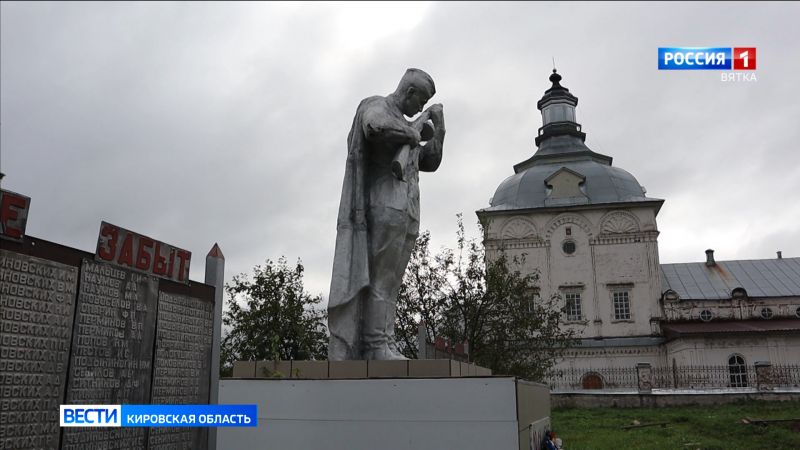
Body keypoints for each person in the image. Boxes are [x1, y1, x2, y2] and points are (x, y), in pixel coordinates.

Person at [328, 68, 445, 360]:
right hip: (383, 203)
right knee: (382, 277)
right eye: (420, 102)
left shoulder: (407, 124)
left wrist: (439, 131)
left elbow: (429, 161)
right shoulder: (378, 105)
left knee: (392, 281)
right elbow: (374, 128)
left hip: (407, 208)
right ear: (409, 93)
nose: (420, 108)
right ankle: (375, 344)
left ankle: (385, 341)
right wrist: (414, 129)